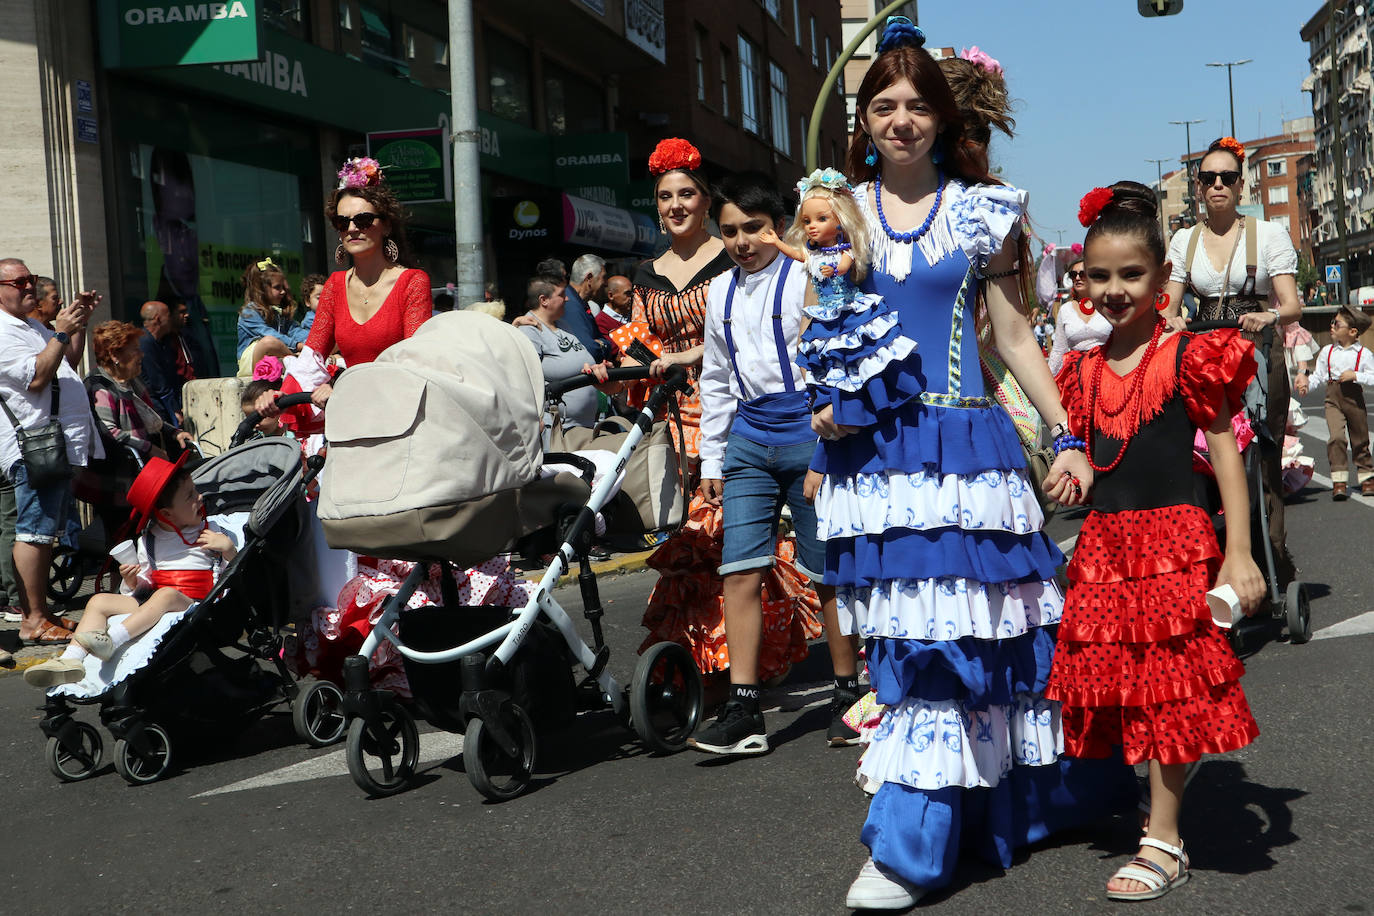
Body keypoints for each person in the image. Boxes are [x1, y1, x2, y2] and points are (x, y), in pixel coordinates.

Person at [808, 21, 1131, 909]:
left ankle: (958, 829)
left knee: (990, 638)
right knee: (911, 642)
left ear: (944, 118)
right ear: (863, 119)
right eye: (884, 106)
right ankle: (920, 838)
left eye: (917, 106)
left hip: (967, 444)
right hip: (875, 455)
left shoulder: (984, 209)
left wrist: (1066, 431)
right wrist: (819, 411)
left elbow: (1014, 333)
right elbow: (821, 321)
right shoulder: (840, 211)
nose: (901, 120)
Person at [1049, 181, 1263, 900]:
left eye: (1131, 275)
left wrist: (1237, 552)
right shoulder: (1079, 371)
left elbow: (1226, 453)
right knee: (1125, 692)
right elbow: (1087, 452)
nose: (1114, 290)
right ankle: (1154, 808)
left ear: (1163, 280)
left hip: (1175, 544)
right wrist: (1071, 474)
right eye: (1100, 276)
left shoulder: (1190, 356)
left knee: (1172, 691)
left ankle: (1164, 839)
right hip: (1106, 551)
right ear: (1082, 280)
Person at [626, 139, 818, 685]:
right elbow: (639, 344)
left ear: (708, 202)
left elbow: (752, 338)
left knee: (737, 545)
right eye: (666, 197)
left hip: (737, 412)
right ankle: (701, 666)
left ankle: (756, 659)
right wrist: (619, 361)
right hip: (677, 423)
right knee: (694, 549)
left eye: (687, 194)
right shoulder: (645, 272)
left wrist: (684, 358)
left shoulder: (735, 256)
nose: (676, 205)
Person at [686, 171, 854, 756]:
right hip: (749, 438)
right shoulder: (721, 294)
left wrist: (830, 440)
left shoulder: (807, 276)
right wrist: (712, 458)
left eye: (753, 228)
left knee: (827, 570)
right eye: (730, 231)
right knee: (740, 569)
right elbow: (715, 379)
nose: (742, 241)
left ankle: (847, 692)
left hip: (809, 431)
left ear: (778, 227)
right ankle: (746, 710)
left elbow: (836, 356)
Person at [1163, 136, 1303, 587]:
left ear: (1241, 186)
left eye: (1227, 178)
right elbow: (1169, 306)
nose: (1218, 185)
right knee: (1203, 462)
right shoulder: (1184, 241)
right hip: (1202, 359)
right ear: (1199, 187)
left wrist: (1270, 314)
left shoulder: (1268, 234)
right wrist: (1173, 319)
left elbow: (1292, 305)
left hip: (1256, 355)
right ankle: (1211, 565)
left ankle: (1271, 563)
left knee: (1262, 461)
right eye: (1209, 178)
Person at [23, 453, 239, 688]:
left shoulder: (214, 531)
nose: (199, 497)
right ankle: (70, 660)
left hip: (198, 603)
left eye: (195, 490)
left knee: (165, 595)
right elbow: (145, 587)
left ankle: (111, 640)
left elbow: (235, 574)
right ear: (166, 514)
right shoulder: (149, 541)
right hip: (159, 599)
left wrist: (228, 550)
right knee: (99, 600)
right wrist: (132, 581)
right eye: (189, 496)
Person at [253, 157, 431, 415]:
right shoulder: (335, 285)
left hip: (401, 414)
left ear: (387, 225)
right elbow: (312, 359)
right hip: (352, 417)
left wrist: (343, 384)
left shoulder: (413, 282)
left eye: (363, 220)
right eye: (342, 222)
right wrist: (280, 395)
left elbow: (414, 360)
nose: (352, 229)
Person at [0, 258, 101, 647]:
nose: (29, 287)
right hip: (33, 443)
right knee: (34, 532)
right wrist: (59, 331)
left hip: (55, 442)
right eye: (20, 281)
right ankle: (33, 619)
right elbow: (39, 377)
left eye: (33, 280)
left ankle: (40, 612)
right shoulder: (5, 330)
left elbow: (66, 366)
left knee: (45, 533)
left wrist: (77, 326)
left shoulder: (31, 326)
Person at [83, 320, 195, 532]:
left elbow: (152, 420)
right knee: (122, 536)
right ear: (115, 355)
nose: (141, 355)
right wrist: (149, 449)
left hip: (143, 476)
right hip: (116, 480)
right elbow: (109, 431)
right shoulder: (99, 385)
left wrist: (175, 433)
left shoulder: (132, 381)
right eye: (135, 350)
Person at [1295, 305, 1374, 498]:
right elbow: (1319, 376)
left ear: (1352, 331)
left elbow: (1372, 376)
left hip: (1354, 399)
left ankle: (1367, 478)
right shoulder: (1327, 351)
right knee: (1336, 438)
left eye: (1336, 324)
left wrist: (1356, 375)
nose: (1332, 326)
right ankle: (1339, 481)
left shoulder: (1363, 354)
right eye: (1332, 322)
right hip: (1333, 399)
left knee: (1360, 439)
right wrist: (1307, 385)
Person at [519, 277, 604, 433]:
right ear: (544, 300)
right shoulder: (529, 330)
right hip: (558, 430)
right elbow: (525, 378)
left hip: (584, 427)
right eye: (562, 294)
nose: (567, 298)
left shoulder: (563, 325)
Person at [236, 258, 307, 378]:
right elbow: (271, 335)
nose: (283, 292)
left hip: (276, 358)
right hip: (253, 363)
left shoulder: (278, 312)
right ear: (262, 289)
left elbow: (296, 331)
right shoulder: (249, 312)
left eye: (283, 287)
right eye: (277, 287)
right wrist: (298, 346)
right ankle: (297, 361)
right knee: (269, 342)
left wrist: (311, 341)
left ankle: (297, 361)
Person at [1048, 257, 1112, 374]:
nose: (1077, 278)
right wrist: (1050, 380)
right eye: (1073, 274)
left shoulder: (1108, 305)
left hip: (1107, 372)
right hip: (1076, 375)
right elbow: (1058, 350)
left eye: (1082, 274)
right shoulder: (1065, 310)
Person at [138, 300, 193, 424]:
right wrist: (174, 410)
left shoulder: (165, 342)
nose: (171, 319)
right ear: (158, 319)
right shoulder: (144, 343)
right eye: (168, 316)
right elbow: (157, 382)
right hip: (156, 410)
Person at [561, 254, 612, 361]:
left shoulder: (581, 303)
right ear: (589, 278)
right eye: (604, 277)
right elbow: (589, 350)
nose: (606, 283)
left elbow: (605, 342)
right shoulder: (569, 303)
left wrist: (602, 343)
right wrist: (602, 345)